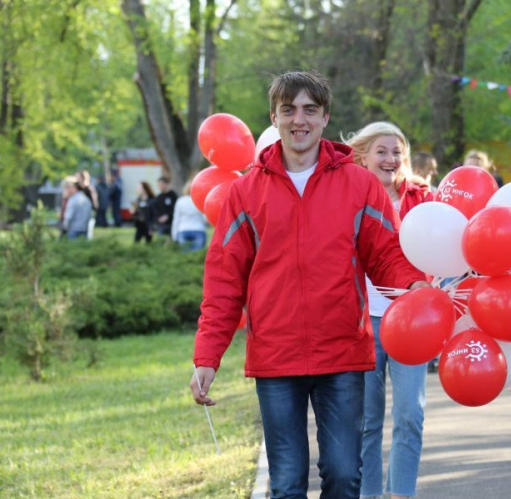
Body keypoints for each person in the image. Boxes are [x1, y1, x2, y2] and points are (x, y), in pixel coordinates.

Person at [189, 71, 428, 499]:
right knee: (286, 484)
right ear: (274, 118)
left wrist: (411, 286)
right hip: (275, 358)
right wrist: (208, 355)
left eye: (309, 110)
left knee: (343, 475)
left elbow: (386, 254)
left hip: (341, 353)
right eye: (289, 110)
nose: (299, 119)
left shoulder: (359, 185)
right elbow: (224, 280)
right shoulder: (245, 193)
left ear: (324, 118)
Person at [345, 122, 434, 499]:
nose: (391, 158)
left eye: (397, 151)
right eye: (382, 151)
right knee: (366, 422)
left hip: (411, 321)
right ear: (363, 155)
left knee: (410, 415)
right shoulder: (347, 194)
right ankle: (368, 495)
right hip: (362, 323)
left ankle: (401, 494)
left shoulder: (423, 197)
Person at [171, 180, 208, 251]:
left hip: (183, 230)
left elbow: (176, 220)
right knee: (197, 257)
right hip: (198, 229)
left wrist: (174, 236)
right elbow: (205, 219)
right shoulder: (200, 200)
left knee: (185, 258)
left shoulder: (180, 201)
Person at [76, 170, 98, 239]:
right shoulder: (78, 188)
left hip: (88, 213)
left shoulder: (89, 189)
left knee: (88, 232)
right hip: (80, 214)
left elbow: (95, 204)